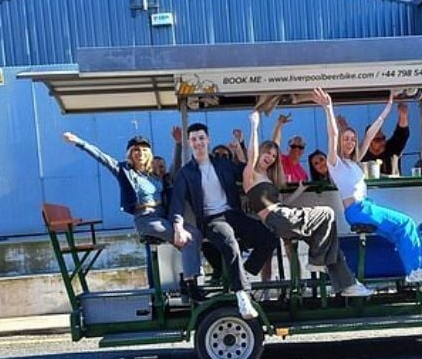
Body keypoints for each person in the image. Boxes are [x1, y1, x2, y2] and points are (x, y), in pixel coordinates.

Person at [312, 88, 422, 286]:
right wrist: (328, 108)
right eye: (346, 139)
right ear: (340, 141)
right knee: (406, 223)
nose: (350, 142)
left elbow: (372, 132)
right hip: (359, 210)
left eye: (352, 139)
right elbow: (332, 134)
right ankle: (419, 268)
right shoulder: (334, 162)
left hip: (363, 208)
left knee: (400, 233)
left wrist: (388, 107)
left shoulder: (355, 161)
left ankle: (415, 270)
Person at [62, 132, 206, 302]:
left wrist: (178, 144)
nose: (140, 153)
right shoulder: (124, 171)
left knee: (195, 234)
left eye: (144, 150)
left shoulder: (153, 175)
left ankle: (188, 279)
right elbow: (102, 157)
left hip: (163, 217)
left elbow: (174, 169)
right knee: (187, 240)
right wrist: (79, 142)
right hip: (147, 220)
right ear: (130, 153)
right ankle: (191, 286)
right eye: (136, 150)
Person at [243, 111, 373, 298]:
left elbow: (282, 203)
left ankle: (348, 284)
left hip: (283, 217)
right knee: (327, 213)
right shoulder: (251, 174)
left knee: (329, 241)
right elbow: (253, 154)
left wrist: (299, 190)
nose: (270, 157)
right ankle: (316, 260)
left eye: (273, 155)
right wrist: (255, 127)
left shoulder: (268, 179)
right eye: (267, 153)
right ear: (260, 151)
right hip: (277, 219)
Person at [170, 122, 279, 319]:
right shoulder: (186, 173)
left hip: (233, 214)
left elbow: (248, 170)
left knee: (270, 237)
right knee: (229, 241)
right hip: (212, 220)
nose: (198, 143)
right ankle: (242, 295)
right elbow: (176, 202)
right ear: (189, 142)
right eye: (194, 139)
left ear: (208, 139)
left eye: (201, 138)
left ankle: (243, 273)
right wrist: (177, 225)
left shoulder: (223, 164)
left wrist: (248, 140)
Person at [358, 100, 410, 176]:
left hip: (394, 187)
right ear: (369, 142)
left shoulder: (391, 148)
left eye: (383, 138)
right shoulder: (362, 155)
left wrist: (403, 116)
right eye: (378, 140)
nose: (382, 142)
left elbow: (402, 134)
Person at [270, 114, 310, 184]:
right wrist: (279, 124)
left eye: (300, 147)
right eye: (293, 146)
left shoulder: (304, 174)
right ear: (288, 148)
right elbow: (274, 146)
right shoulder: (281, 160)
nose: (297, 149)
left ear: (303, 151)